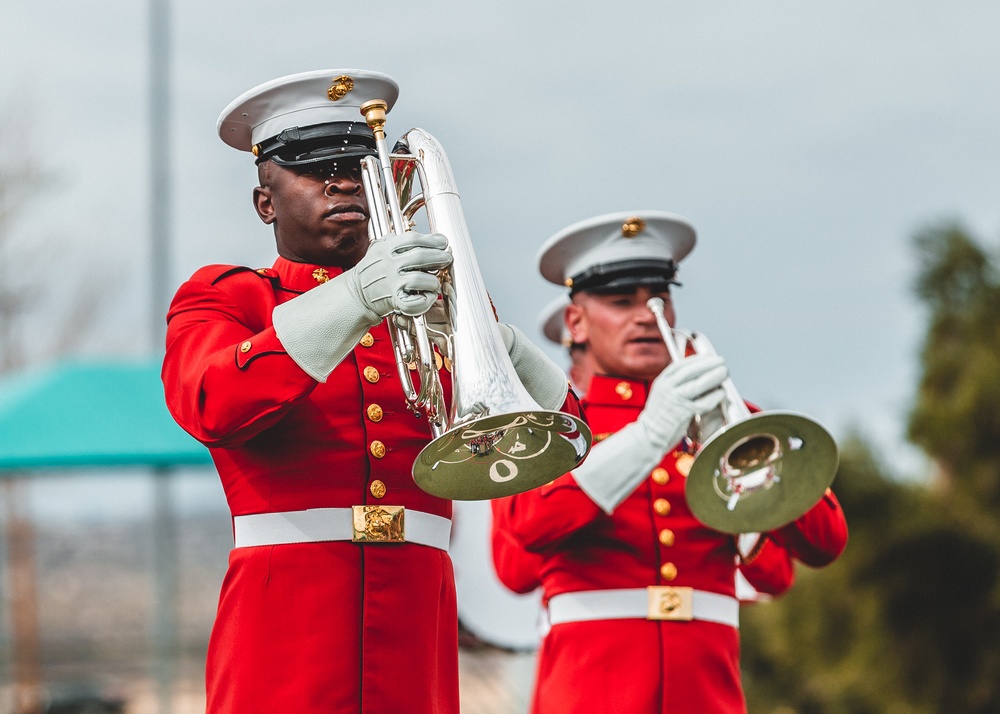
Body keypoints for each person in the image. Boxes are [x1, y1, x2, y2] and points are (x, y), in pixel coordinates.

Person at [161, 68, 575, 714]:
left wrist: (507, 343)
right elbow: (208, 399)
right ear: (264, 201)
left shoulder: (427, 303)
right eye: (313, 166)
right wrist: (354, 297)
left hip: (416, 645)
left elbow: (563, 444)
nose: (342, 180)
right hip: (283, 648)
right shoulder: (227, 297)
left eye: (356, 163)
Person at [490, 210, 849, 713]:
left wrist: (729, 429)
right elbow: (526, 534)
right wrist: (651, 434)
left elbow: (821, 544)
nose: (645, 315)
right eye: (620, 302)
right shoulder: (557, 424)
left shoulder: (731, 416)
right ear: (576, 321)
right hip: (593, 688)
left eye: (659, 300)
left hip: (708, 690)